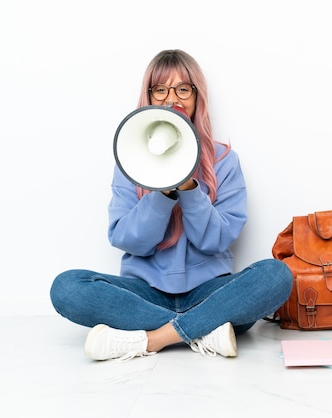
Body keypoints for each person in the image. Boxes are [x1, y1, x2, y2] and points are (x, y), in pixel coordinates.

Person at [50, 49, 293, 362]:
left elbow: (215, 241)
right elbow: (127, 240)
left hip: (209, 291)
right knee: (67, 287)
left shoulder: (224, 160)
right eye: (161, 89)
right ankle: (205, 329)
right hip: (145, 294)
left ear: (196, 96)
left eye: (183, 89)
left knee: (276, 275)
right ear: (149, 96)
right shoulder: (130, 159)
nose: (171, 98)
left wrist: (190, 189)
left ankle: (152, 339)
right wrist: (162, 195)